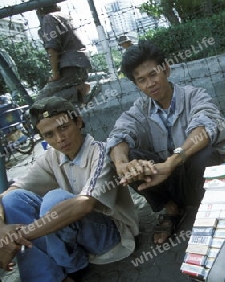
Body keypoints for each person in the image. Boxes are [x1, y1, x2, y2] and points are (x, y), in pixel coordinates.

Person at [107, 40, 225, 245]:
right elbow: (120, 133)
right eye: (141, 80)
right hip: (164, 179)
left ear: (166, 69)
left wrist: (171, 163)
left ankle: (210, 210)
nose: (150, 84)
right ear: (136, 84)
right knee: (130, 158)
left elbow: (205, 126)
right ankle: (172, 209)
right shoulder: (140, 109)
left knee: (206, 153)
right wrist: (122, 165)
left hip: (195, 177)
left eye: (153, 74)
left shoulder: (194, 95)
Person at [0, 97, 139, 281]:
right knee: (13, 201)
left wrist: (14, 239)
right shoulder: (52, 156)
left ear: (78, 121)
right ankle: (48, 277)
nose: (59, 139)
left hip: (110, 237)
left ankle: (72, 267)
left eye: (63, 127)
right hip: (73, 235)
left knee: (54, 201)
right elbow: (7, 194)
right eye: (49, 135)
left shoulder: (100, 152)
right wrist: (1, 228)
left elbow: (85, 205)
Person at [33, 0, 99, 105]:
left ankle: (79, 90)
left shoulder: (49, 18)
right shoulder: (65, 16)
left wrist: (55, 74)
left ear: (40, 8)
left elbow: (52, 49)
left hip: (69, 67)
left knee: (40, 102)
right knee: (55, 98)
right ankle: (77, 92)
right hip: (79, 64)